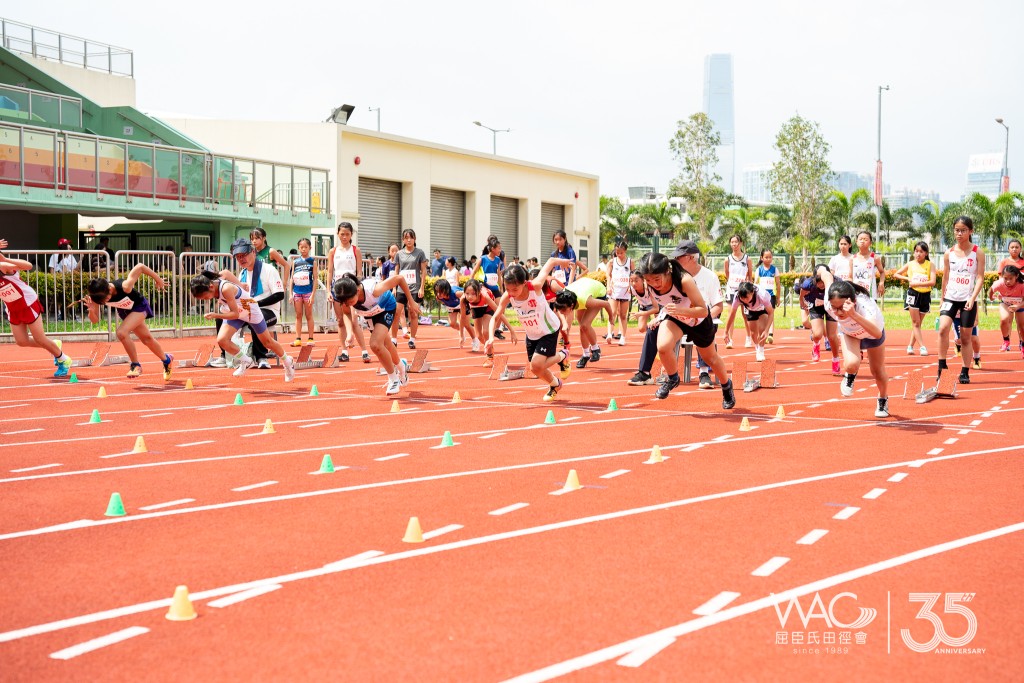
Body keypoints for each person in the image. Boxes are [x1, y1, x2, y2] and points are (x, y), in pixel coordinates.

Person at [637, 252, 735, 407]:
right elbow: (657, 304)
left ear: (667, 271)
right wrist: (655, 315)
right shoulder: (649, 286)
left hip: (698, 320)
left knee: (711, 358)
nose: (654, 284)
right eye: (648, 280)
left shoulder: (684, 281)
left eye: (657, 279)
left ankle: (726, 386)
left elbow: (703, 310)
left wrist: (680, 310)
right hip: (676, 318)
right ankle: (673, 378)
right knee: (662, 347)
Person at [486, 260, 573, 402]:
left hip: (548, 330)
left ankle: (563, 355)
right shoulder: (507, 297)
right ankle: (555, 384)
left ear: (524, 283)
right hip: (532, 334)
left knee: (536, 365)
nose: (511, 293)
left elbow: (550, 262)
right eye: (507, 289)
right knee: (535, 369)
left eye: (515, 289)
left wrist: (563, 262)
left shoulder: (536, 286)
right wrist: (490, 338)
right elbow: (495, 317)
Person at [190, 272, 295, 382]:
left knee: (267, 342)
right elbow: (226, 272)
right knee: (222, 340)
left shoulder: (226, 289)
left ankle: (288, 362)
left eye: (204, 297)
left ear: (211, 287)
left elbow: (235, 314)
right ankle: (246, 360)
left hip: (250, 311)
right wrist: (240, 284)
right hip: (236, 313)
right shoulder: (213, 282)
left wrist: (216, 315)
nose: (205, 299)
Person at [815, 266, 889, 418]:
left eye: (842, 307)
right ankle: (850, 376)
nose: (839, 312)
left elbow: (876, 333)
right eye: (835, 308)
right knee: (851, 364)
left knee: (877, 371)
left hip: (870, 331)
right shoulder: (830, 304)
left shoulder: (865, 306)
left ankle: (883, 398)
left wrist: (853, 315)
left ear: (853, 301)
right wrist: (821, 270)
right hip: (850, 333)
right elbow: (827, 277)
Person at [332, 271, 419, 396]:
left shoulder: (373, 290)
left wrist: (411, 301)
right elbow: (349, 315)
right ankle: (401, 366)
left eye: (350, 301)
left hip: (386, 308)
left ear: (357, 290)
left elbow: (399, 278)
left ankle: (393, 379)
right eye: (345, 303)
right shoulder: (347, 298)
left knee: (375, 344)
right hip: (370, 314)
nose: (348, 304)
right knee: (387, 345)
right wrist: (350, 334)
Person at [85, 264, 174, 380]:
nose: (105, 302)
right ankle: (167, 360)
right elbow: (95, 321)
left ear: (110, 289)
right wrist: (91, 311)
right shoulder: (97, 296)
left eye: (106, 299)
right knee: (147, 339)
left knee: (121, 333)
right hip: (126, 313)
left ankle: (135, 365)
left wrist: (158, 279)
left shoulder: (125, 286)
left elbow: (140, 267)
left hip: (139, 307)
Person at [1, 243, 73, 377]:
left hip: (28, 303)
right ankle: (53, 345)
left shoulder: (3, 267)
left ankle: (63, 359)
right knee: (21, 341)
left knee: (39, 338)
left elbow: (28, 266)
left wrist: (5, 260)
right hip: (12, 306)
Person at [937, 216, 986, 385]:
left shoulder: (977, 252)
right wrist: (942, 299)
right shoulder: (948, 253)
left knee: (966, 337)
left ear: (970, 231)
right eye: (956, 230)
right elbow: (945, 277)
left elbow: (980, 277)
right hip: (950, 297)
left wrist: (973, 298)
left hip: (967, 300)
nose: (959, 233)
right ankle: (941, 366)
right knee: (943, 328)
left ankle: (965, 370)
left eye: (963, 230)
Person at [672, 240, 724, 389]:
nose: (676, 261)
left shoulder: (710, 277)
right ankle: (665, 372)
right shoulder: (675, 277)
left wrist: (703, 319)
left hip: (703, 318)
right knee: (659, 329)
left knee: (703, 328)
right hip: (682, 318)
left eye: (679, 257)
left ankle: (704, 373)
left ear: (691, 258)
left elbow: (718, 306)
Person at [230, 238, 286, 369]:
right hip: (248, 310)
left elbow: (280, 294)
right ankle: (226, 356)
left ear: (253, 252)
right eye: (238, 257)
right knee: (223, 319)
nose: (241, 259)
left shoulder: (268, 270)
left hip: (269, 312)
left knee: (255, 316)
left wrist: (255, 304)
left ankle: (261, 356)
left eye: (244, 255)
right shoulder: (242, 274)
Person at [326, 222, 369, 362]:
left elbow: (359, 272)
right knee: (340, 321)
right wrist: (328, 291)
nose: (344, 237)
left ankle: (364, 351)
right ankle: (344, 351)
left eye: (347, 234)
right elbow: (330, 272)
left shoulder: (356, 250)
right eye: (342, 234)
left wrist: (357, 288)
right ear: (338, 234)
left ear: (351, 234)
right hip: (337, 290)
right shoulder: (333, 251)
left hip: (351, 289)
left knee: (354, 320)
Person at [550, 275, 613, 368]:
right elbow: (559, 311)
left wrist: (611, 318)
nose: (562, 312)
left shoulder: (586, 300)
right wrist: (565, 323)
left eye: (564, 310)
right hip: (582, 288)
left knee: (584, 325)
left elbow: (606, 304)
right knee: (582, 327)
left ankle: (596, 349)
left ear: (571, 306)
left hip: (598, 292)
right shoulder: (562, 298)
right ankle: (586, 354)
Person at [893, 241, 935, 356]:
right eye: (916, 251)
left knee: (918, 324)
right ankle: (922, 347)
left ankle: (910, 346)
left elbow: (932, 281)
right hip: (913, 295)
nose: (918, 254)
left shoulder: (930, 265)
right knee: (915, 323)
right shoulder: (911, 264)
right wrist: (908, 279)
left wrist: (918, 283)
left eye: (921, 251)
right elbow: (896, 274)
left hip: (925, 295)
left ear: (926, 253)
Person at [798, 267, 842, 374]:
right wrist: (801, 301)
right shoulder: (808, 284)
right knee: (817, 334)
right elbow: (802, 292)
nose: (821, 284)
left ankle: (835, 360)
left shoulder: (836, 281)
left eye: (823, 282)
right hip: (816, 307)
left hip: (831, 307)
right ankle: (816, 344)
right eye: (818, 282)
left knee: (832, 336)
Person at [391, 229, 428, 349]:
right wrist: (394, 287)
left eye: (411, 237)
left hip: (414, 288)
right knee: (396, 312)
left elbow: (423, 271)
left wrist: (422, 287)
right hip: (401, 287)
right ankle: (394, 339)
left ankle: (412, 339)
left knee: (413, 313)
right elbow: (396, 271)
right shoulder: (399, 254)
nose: (409, 240)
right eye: (406, 238)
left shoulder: (420, 253)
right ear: (403, 240)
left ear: (414, 239)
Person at [722, 234, 753, 348]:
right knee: (731, 315)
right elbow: (727, 274)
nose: (734, 244)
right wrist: (733, 282)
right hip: (731, 290)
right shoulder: (728, 259)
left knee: (746, 315)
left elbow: (750, 275)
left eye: (736, 242)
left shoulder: (747, 258)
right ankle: (729, 340)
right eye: (732, 242)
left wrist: (748, 289)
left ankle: (748, 338)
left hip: (743, 291)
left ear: (741, 243)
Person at [988, 264, 1024, 359]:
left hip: (1020, 304)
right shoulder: (999, 283)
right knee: (1004, 320)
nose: (1007, 281)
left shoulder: (1022, 284)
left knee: (1022, 327)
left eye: (1010, 278)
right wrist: (991, 297)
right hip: (1006, 303)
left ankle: (1023, 346)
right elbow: (991, 290)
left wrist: (1018, 306)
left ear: (1016, 276)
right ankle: (1006, 340)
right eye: (1005, 278)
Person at [995, 239, 1024, 351]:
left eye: (1017, 247)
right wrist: (999, 292)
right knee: (1006, 320)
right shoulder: (1004, 262)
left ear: (1020, 249)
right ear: (1008, 249)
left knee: (1021, 324)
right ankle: (1007, 342)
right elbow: (1000, 280)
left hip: (1020, 297)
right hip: (1007, 297)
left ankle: (1022, 342)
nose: (1014, 249)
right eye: (1012, 247)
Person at [735, 282, 774, 362]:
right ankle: (757, 347)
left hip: (762, 309)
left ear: (752, 293)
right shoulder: (738, 296)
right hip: (750, 310)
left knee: (762, 329)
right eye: (743, 298)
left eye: (747, 297)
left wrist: (767, 331)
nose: (745, 300)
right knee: (753, 333)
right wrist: (726, 331)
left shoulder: (762, 295)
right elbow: (732, 314)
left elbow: (771, 313)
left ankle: (761, 350)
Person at [464, 279, 501, 364]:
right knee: (479, 336)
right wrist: (462, 335)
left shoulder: (485, 296)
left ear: (478, 292)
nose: (469, 296)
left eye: (473, 293)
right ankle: (490, 347)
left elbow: (499, 312)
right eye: (467, 294)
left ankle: (490, 357)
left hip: (488, 306)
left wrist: (511, 330)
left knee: (485, 332)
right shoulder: (464, 298)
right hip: (476, 307)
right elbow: (463, 317)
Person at [290, 238, 318, 347]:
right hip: (297, 292)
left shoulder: (312, 261)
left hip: (308, 292)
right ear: (298, 248)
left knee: (309, 314)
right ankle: (298, 338)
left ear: (310, 248)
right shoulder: (295, 262)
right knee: (298, 315)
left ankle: (310, 338)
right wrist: (290, 293)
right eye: (301, 247)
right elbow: (292, 278)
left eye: (306, 247)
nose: (303, 249)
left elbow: (315, 278)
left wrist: (313, 295)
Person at [433, 278, 477, 349]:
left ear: (446, 290)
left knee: (466, 324)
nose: (439, 294)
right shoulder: (438, 297)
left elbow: (469, 295)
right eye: (437, 292)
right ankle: (461, 329)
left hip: (462, 303)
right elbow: (444, 302)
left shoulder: (456, 293)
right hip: (452, 306)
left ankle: (475, 341)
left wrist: (472, 307)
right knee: (452, 324)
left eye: (440, 292)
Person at [604, 239, 631, 345]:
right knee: (612, 313)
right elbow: (608, 275)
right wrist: (608, 287)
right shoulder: (612, 262)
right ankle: (609, 334)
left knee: (623, 315)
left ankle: (623, 337)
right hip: (614, 291)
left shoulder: (630, 262)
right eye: (617, 252)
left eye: (621, 252)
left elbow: (633, 275)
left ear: (625, 251)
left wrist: (630, 286)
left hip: (625, 291)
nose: (619, 254)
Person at [851, 230, 886, 301]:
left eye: (865, 239)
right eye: (860, 239)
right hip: (856, 293)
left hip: (870, 294)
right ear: (856, 241)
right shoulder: (852, 259)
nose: (862, 241)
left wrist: (881, 283)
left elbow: (882, 272)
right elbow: (850, 276)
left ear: (870, 243)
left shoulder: (875, 258)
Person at [755, 249, 780, 344]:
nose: (768, 259)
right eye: (766, 257)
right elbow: (755, 283)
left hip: (771, 296)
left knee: (771, 314)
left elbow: (778, 284)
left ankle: (770, 335)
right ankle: (762, 333)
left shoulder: (774, 269)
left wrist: (778, 298)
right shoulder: (759, 270)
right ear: (762, 258)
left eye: (770, 257)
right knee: (762, 315)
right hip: (761, 297)